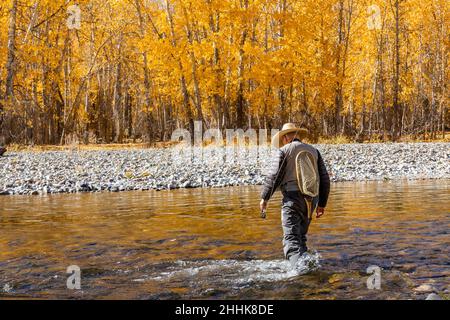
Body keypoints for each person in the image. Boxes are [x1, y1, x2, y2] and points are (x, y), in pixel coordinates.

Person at [260, 123, 330, 268]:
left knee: (291, 240)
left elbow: (274, 176)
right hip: (312, 200)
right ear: (297, 136)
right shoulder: (314, 151)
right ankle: (306, 267)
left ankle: (299, 272)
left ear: (285, 137)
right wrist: (322, 204)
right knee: (301, 238)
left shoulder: (284, 150)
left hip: (292, 198)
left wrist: (265, 198)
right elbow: (324, 179)